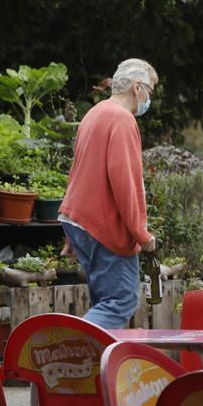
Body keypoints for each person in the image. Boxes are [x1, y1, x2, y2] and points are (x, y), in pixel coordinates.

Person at [58, 59, 159, 328]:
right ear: (137, 87)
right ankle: (71, 351)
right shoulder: (122, 120)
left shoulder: (95, 113)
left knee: (103, 301)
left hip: (78, 219)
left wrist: (72, 234)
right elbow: (125, 182)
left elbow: (78, 170)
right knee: (120, 301)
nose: (149, 98)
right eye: (150, 90)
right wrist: (141, 233)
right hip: (102, 225)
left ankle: (95, 367)